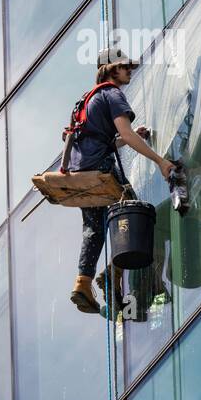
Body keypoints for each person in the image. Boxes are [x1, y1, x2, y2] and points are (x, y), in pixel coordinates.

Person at [69, 45, 175, 314]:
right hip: (103, 169)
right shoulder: (113, 94)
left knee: (94, 228)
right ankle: (114, 276)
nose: (130, 71)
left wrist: (128, 136)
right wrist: (160, 161)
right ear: (112, 69)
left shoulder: (87, 99)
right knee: (135, 217)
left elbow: (105, 138)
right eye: (126, 67)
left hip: (81, 171)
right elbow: (126, 136)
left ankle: (83, 283)